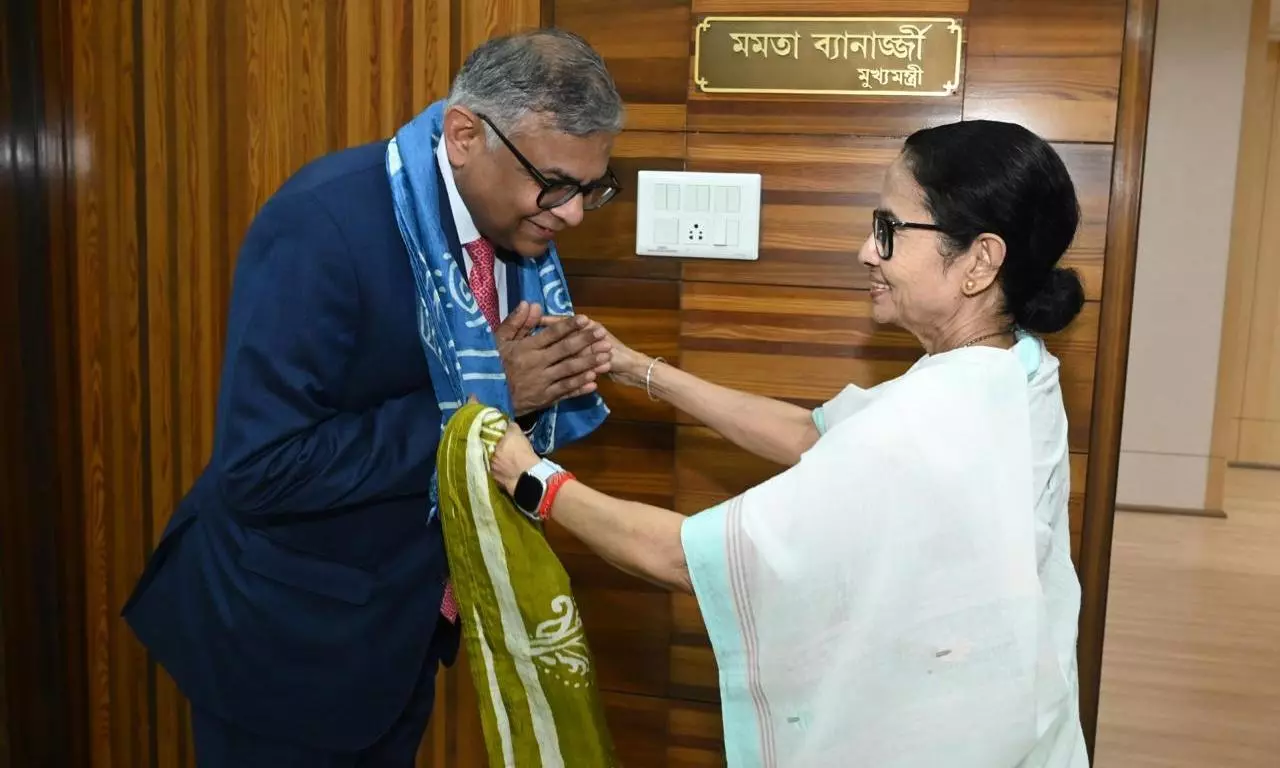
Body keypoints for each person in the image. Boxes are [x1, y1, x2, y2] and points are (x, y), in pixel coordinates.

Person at [489, 119, 1091, 767]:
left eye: (889, 229)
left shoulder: (926, 421)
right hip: (1011, 719)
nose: (867, 251)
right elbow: (812, 435)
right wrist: (636, 367)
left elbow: (680, 558)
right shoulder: (1014, 369)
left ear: (979, 261)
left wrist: (527, 474)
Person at [122, 29, 625, 767]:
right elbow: (265, 468)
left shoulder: (514, 237)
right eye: (554, 183)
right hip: (289, 647)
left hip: (402, 631)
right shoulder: (324, 226)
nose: (573, 214)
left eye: (592, 189)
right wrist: (490, 393)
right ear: (463, 135)